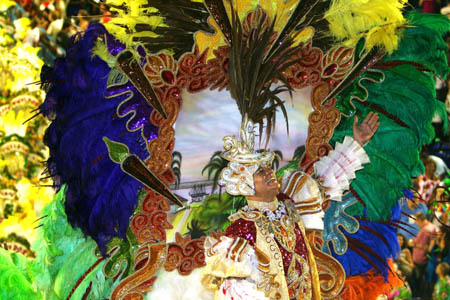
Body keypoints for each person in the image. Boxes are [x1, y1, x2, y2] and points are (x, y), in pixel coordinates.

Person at [151, 112, 379, 300]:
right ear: (247, 184)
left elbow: (326, 181)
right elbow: (238, 291)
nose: (270, 171)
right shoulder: (242, 229)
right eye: (261, 171)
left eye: (268, 167)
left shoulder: (290, 202)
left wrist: (357, 142)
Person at [409, 212, 438, 298]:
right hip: (423, 258)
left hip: (421, 259)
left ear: (420, 220)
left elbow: (426, 247)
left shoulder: (425, 230)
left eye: (416, 221)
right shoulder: (431, 226)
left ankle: (419, 296)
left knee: (419, 280)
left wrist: (413, 244)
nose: (415, 223)